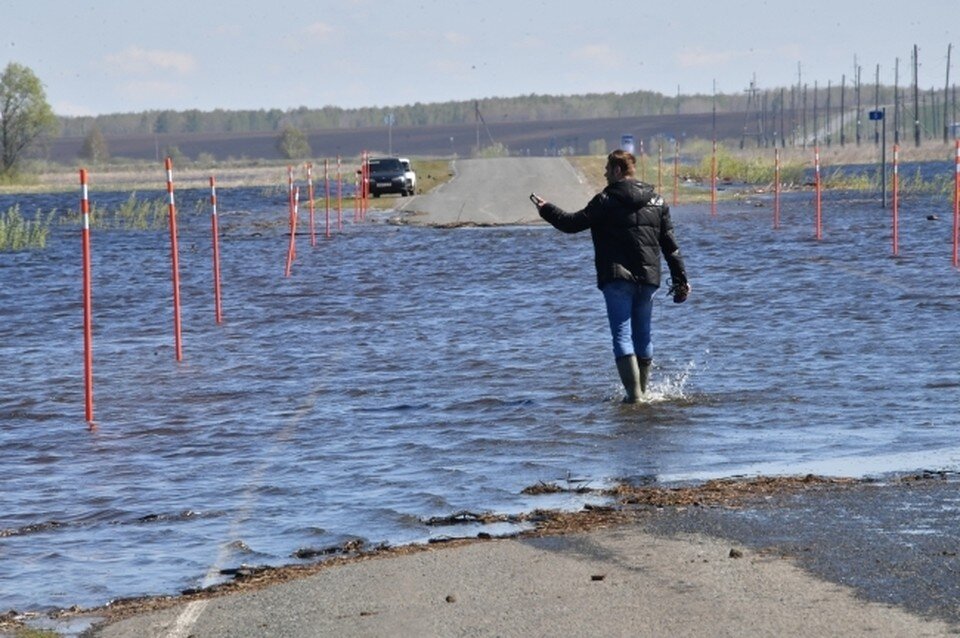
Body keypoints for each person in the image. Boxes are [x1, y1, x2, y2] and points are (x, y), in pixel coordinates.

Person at [530, 149, 690, 403]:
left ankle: (635, 397)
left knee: (622, 335)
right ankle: (643, 396)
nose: (605, 174)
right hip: (649, 278)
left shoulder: (604, 200)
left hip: (617, 279)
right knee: (643, 335)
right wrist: (681, 280)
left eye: (607, 170)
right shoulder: (658, 201)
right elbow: (671, 246)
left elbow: (572, 224)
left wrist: (546, 209)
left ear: (617, 170)